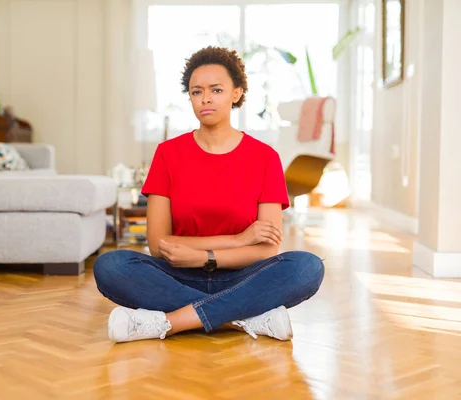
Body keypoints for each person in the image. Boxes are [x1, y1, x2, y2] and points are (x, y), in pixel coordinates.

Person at [94, 46, 325, 343]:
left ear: (236, 93)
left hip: (243, 275)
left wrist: (202, 255)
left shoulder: (264, 157)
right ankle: (243, 318)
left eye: (216, 90)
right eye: (196, 92)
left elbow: (267, 249)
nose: (205, 99)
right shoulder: (168, 154)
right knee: (111, 266)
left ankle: (171, 321)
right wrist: (239, 240)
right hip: (176, 275)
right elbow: (158, 244)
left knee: (307, 267)